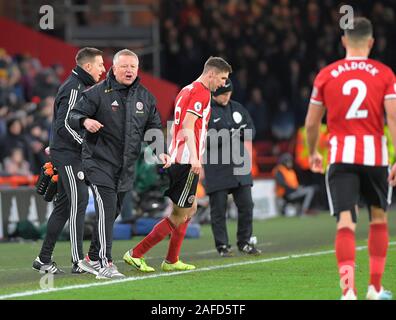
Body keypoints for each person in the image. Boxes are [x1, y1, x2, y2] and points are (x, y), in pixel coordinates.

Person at [305, 17, 396, 300]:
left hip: (341, 156)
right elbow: (393, 117)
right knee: (378, 218)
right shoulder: (385, 74)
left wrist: (313, 153)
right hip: (376, 157)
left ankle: (348, 293)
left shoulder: (326, 74)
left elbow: (311, 123)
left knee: (346, 222)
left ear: (343, 41)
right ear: (371, 42)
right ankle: (375, 288)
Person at [68, 49, 171, 279]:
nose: (128, 71)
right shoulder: (96, 93)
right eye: (124, 66)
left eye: (132, 67)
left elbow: (153, 129)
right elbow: (72, 115)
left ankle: (93, 257)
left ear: (137, 70)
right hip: (98, 161)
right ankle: (105, 263)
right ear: (113, 68)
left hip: (126, 167)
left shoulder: (145, 97)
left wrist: (162, 152)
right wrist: (85, 121)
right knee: (106, 207)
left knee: (111, 212)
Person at [123, 56, 232, 272]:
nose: (223, 83)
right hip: (184, 161)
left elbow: (177, 124)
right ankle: (136, 253)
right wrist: (194, 156)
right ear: (210, 73)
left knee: (189, 209)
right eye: (222, 78)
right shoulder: (201, 92)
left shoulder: (186, 90)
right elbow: (188, 126)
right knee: (180, 215)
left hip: (178, 157)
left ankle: (172, 259)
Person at [32, 47, 105, 274]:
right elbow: (64, 123)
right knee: (79, 203)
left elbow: (60, 123)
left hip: (66, 153)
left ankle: (44, 259)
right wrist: (84, 145)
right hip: (70, 156)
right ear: (88, 66)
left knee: (64, 206)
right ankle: (77, 261)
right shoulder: (75, 88)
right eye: (100, 64)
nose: (103, 69)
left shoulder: (78, 86)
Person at [203, 78, 261, 257]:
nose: (226, 97)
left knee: (247, 206)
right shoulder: (207, 111)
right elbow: (204, 139)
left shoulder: (237, 108)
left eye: (229, 93)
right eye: (223, 94)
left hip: (240, 166)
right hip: (217, 167)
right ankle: (222, 246)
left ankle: (244, 242)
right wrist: (230, 134)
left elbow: (251, 130)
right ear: (214, 93)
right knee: (219, 209)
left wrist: (231, 134)